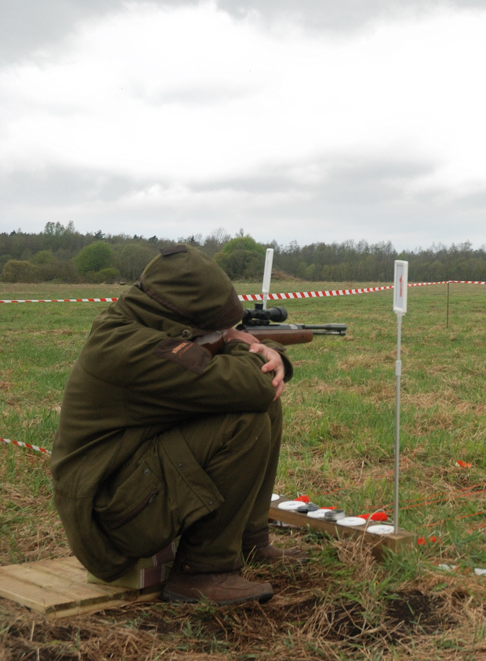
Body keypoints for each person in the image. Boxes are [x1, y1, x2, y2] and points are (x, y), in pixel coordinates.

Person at [51, 244, 304, 606]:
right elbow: (252, 385)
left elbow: (254, 387)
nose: (221, 332)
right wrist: (240, 345)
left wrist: (264, 350)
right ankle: (202, 571)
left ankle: (251, 541)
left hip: (126, 485)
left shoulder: (140, 321)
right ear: (182, 319)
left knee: (265, 407)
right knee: (242, 422)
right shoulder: (130, 348)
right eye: (214, 326)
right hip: (106, 526)